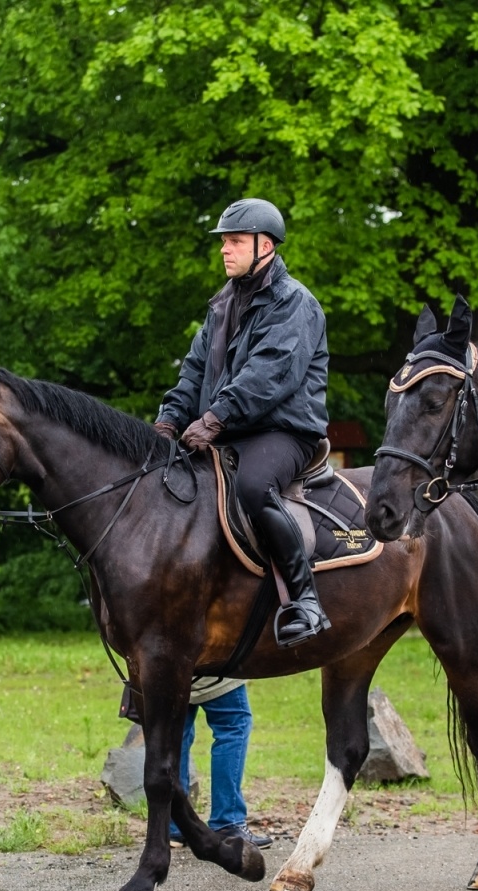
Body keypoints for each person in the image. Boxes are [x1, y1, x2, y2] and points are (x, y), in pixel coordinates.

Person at [154, 198, 332, 647]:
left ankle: (304, 600)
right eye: (224, 242)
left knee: (252, 487)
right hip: (229, 428)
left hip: (284, 430)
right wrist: (166, 424)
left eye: (234, 241)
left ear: (265, 245)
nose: (224, 250)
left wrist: (214, 420)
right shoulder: (221, 306)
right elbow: (193, 373)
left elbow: (270, 374)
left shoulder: (296, 304)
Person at [168, 678, 271, 849]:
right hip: (208, 671)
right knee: (233, 723)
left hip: (164, 670)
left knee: (175, 730)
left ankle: (174, 824)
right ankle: (228, 822)